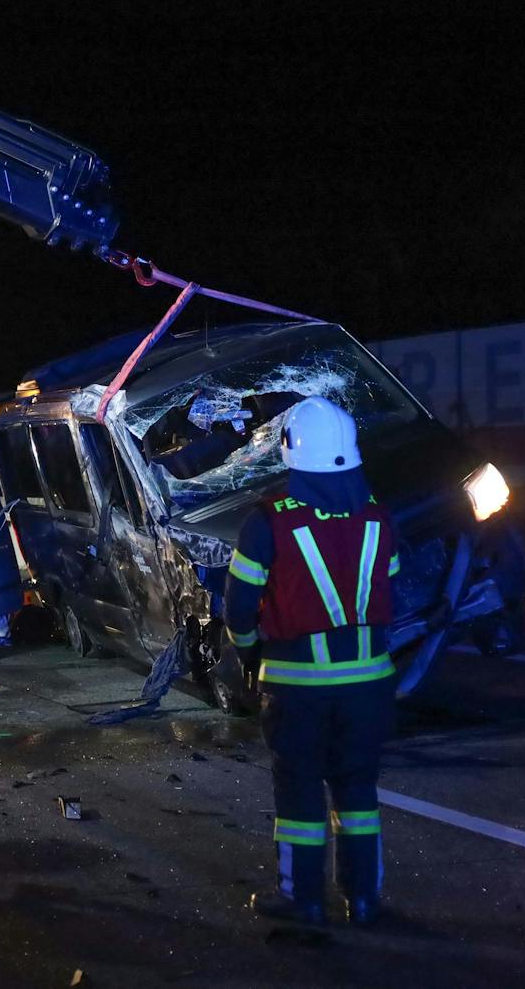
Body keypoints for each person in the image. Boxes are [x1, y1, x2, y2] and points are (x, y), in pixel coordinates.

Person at [223, 396, 401, 926]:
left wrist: (248, 650)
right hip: (371, 683)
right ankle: (363, 898)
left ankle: (304, 899)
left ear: (291, 452)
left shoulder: (267, 521)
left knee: (299, 790)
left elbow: (238, 606)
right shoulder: (378, 516)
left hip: (298, 685)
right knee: (357, 790)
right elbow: (391, 590)